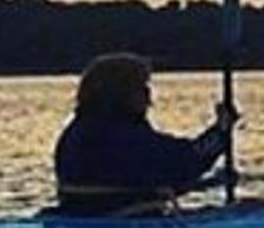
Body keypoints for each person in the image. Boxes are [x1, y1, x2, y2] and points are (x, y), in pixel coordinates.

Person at [53, 53, 237, 214]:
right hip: (120, 222)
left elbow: (146, 180)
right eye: (142, 87)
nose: (149, 96)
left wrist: (211, 182)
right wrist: (221, 131)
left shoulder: (77, 132)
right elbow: (185, 160)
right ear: (122, 93)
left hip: (85, 217)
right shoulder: (119, 137)